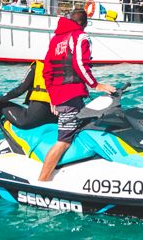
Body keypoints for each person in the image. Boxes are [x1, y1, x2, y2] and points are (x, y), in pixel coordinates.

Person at [38, 9, 115, 182]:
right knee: (63, 141)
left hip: (62, 96)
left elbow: (47, 71)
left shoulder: (56, 39)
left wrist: (52, 97)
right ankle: (42, 181)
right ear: (85, 23)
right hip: (71, 96)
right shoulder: (80, 37)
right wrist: (96, 85)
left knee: (84, 126)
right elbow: (80, 64)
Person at [0, 60, 57, 151]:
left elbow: (20, 90)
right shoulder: (64, 69)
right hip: (55, 118)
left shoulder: (38, 66)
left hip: (33, 120)